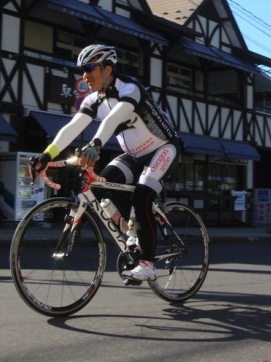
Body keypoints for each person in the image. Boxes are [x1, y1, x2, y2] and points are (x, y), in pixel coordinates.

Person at [30, 44, 180, 282]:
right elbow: (73, 127)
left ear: (108, 68)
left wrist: (96, 144)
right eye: (82, 70)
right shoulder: (92, 100)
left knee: (143, 195)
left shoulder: (130, 89)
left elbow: (113, 118)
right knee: (101, 186)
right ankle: (134, 231)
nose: (84, 76)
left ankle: (148, 263)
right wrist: (47, 155)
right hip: (133, 155)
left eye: (89, 68)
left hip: (163, 148)